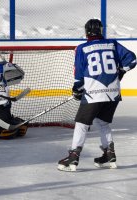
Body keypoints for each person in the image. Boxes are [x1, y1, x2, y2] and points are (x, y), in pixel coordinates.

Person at [57, 19, 136, 172]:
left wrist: (77, 89)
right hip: (113, 94)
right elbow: (132, 60)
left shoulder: (82, 48)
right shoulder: (113, 44)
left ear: (86, 31)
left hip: (93, 94)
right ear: (101, 30)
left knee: (81, 124)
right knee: (102, 122)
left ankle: (73, 156)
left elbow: (79, 76)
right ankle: (109, 154)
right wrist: (120, 71)